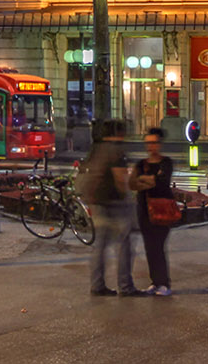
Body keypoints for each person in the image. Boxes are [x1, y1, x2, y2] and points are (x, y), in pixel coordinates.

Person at [84, 121, 141, 296]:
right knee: (124, 244)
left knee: (100, 245)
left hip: (97, 202)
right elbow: (120, 179)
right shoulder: (116, 150)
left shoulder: (97, 148)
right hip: (115, 203)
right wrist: (129, 198)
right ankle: (125, 286)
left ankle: (97, 284)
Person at [130, 127, 175, 296]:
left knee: (158, 245)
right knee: (150, 247)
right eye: (148, 143)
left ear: (160, 144)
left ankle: (164, 283)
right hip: (144, 211)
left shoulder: (166, 162)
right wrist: (148, 180)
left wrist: (145, 180)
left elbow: (162, 183)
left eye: (154, 143)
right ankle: (155, 282)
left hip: (163, 209)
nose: (151, 146)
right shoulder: (141, 164)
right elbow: (132, 183)